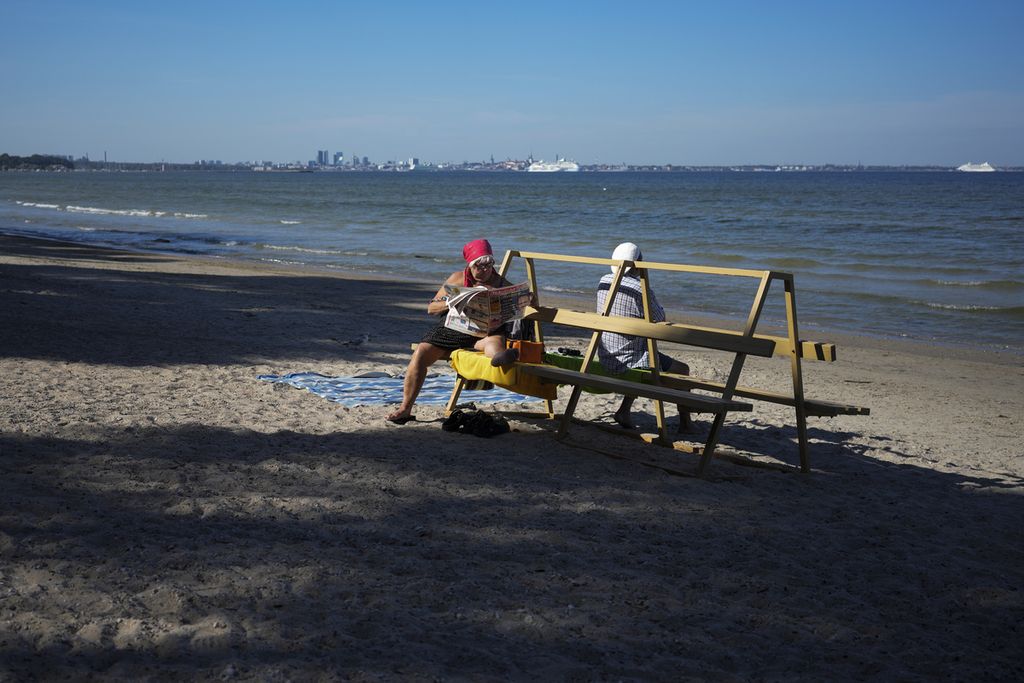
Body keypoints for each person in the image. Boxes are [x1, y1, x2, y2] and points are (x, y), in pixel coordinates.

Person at [386, 239, 519, 424]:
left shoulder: (502, 284)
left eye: (489, 265)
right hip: (454, 329)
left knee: (493, 342)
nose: (485, 270)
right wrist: (451, 301)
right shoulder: (457, 279)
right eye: (480, 266)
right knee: (420, 354)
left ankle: (501, 357)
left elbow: (523, 304)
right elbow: (431, 309)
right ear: (470, 265)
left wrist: (525, 300)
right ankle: (405, 408)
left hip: (484, 333)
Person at [596, 242, 694, 434]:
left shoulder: (604, 281)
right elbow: (659, 319)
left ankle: (624, 411)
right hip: (632, 359)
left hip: (606, 354)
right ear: (639, 263)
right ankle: (686, 424)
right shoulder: (641, 289)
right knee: (682, 370)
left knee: (644, 353)